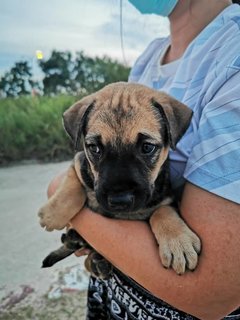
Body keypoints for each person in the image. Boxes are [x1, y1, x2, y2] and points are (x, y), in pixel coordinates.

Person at [48, 0, 240, 319]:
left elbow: (212, 290)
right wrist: (103, 241)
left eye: (147, 148)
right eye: (97, 149)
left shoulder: (232, 59)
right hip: (113, 298)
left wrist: (67, 197)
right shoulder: (151, 57)